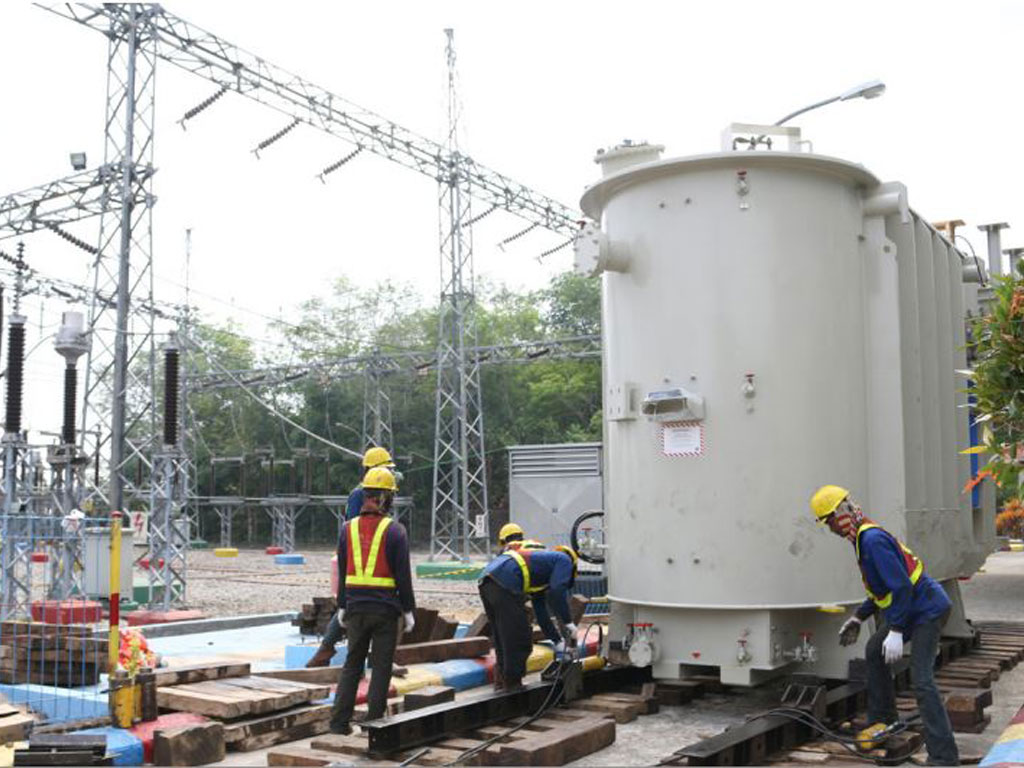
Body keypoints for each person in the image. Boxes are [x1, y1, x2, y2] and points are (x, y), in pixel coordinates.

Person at [810, 485, 959, 766]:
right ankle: (884, 721)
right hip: (913, 608)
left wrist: (896, 630)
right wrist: (858, 617)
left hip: (927, 610)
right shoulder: (861, 539)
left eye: (829, 520)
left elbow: (902, 586)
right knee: (874, 649)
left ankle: (944, 758)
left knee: (922, 681)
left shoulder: (871, 540)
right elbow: (883, 591)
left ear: (841, 512)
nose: (830, 528)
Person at [330, 467, 415, 735]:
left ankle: (338, 724)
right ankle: (373, 725)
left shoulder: (347, 529)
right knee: (380, 668)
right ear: (383, 498)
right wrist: (409, 610)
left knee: (351, 666)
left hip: (355, 610)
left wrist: (342, 605)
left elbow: (343, 572)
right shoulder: (395, 531)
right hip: (385, 612)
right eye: (390, 496)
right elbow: (403, 576)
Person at [307, 446, 399, 668]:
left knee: (356, 606)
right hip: (361, 558)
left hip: (368, 556)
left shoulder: (375, 493)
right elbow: (358, 528)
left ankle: (327, 651)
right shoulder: (362, 494)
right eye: (385, 468)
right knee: (354, 605)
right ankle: (327, 651)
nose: (390, 473)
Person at [477, 543, 578, 691]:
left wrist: (557, 642)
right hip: (505, 578)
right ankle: (513, 686)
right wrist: (569, 622)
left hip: (488, 580)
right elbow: (557, 591)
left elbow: (541, 614)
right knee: (519, 635)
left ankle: (502, 682)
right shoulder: (564, 560)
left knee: (502, 634)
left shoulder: (540, 571)